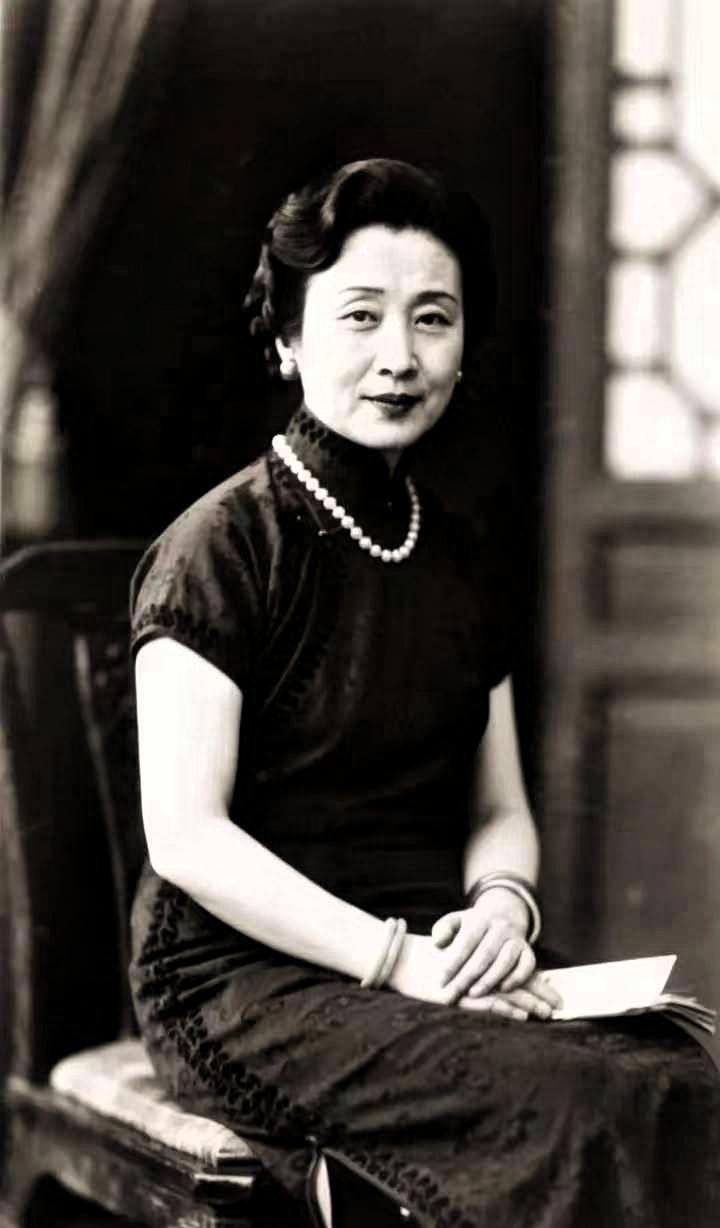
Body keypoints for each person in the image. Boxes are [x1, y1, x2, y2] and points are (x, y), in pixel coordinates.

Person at [129, 158, 720, 1227]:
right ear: (288, 339)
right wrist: (390, 957)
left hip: (431, 956)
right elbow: (187, 839)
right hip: (241, 978)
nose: (399, 356)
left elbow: (497, 808)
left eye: (432, 319)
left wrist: (501, 906)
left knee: (681, 1069)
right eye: (360, 317)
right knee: (574, 1102)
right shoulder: (220, 547)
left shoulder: (456, 554)